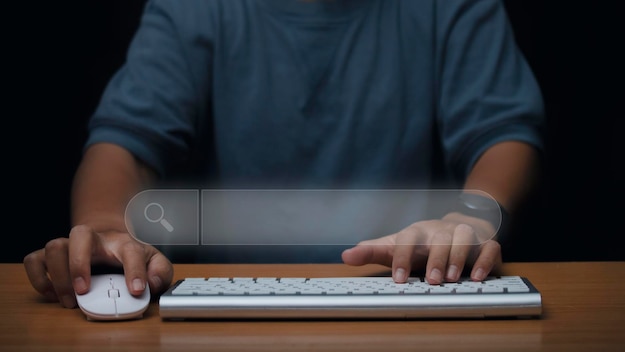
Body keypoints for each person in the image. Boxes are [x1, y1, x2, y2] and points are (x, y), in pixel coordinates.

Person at [24, 0, 545, 309]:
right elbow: (124, 145)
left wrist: (468, 220)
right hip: (235, 309)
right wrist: (106, 228)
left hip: (415, 296)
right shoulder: (196, 8)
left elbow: (503, 134)